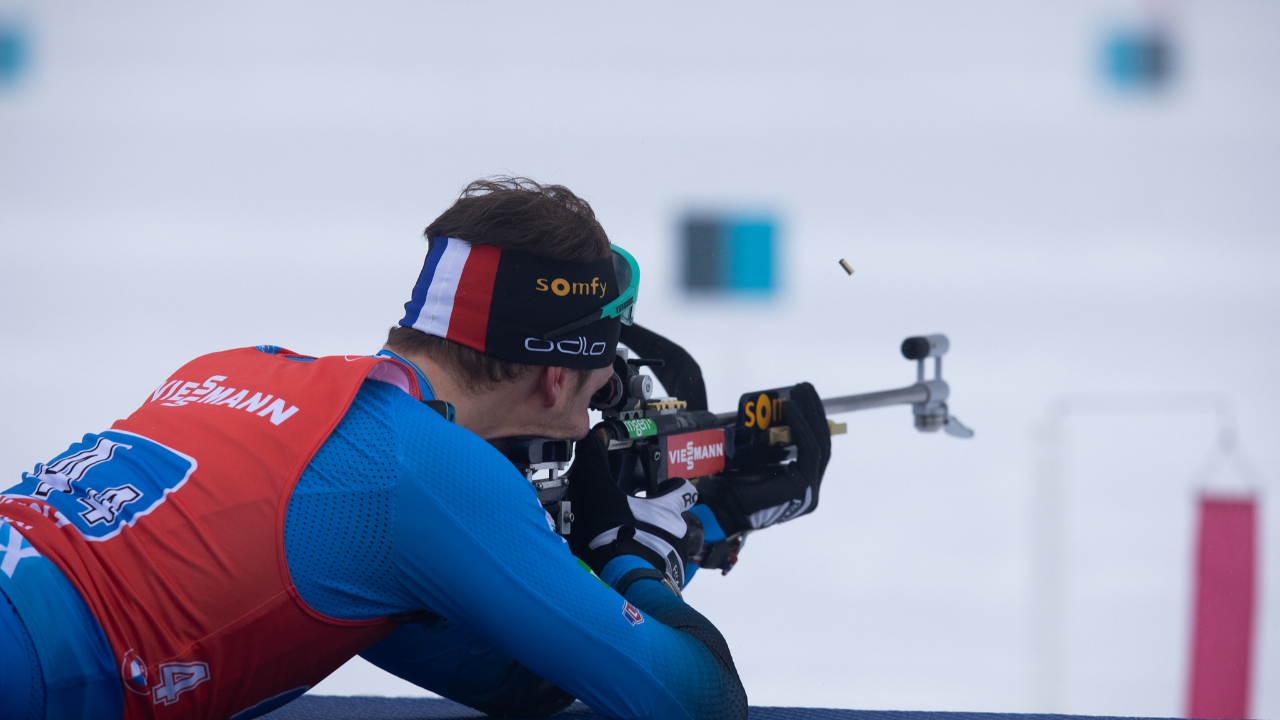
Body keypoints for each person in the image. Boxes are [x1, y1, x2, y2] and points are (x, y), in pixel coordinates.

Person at [0, 178, 830, 720]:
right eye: (601, 380)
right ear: (554, 380)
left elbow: (515, 676)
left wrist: (682, 531)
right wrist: (634, 552)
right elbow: (697, 702)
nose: (601, 405)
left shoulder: (235, 366)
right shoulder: (419, 474)